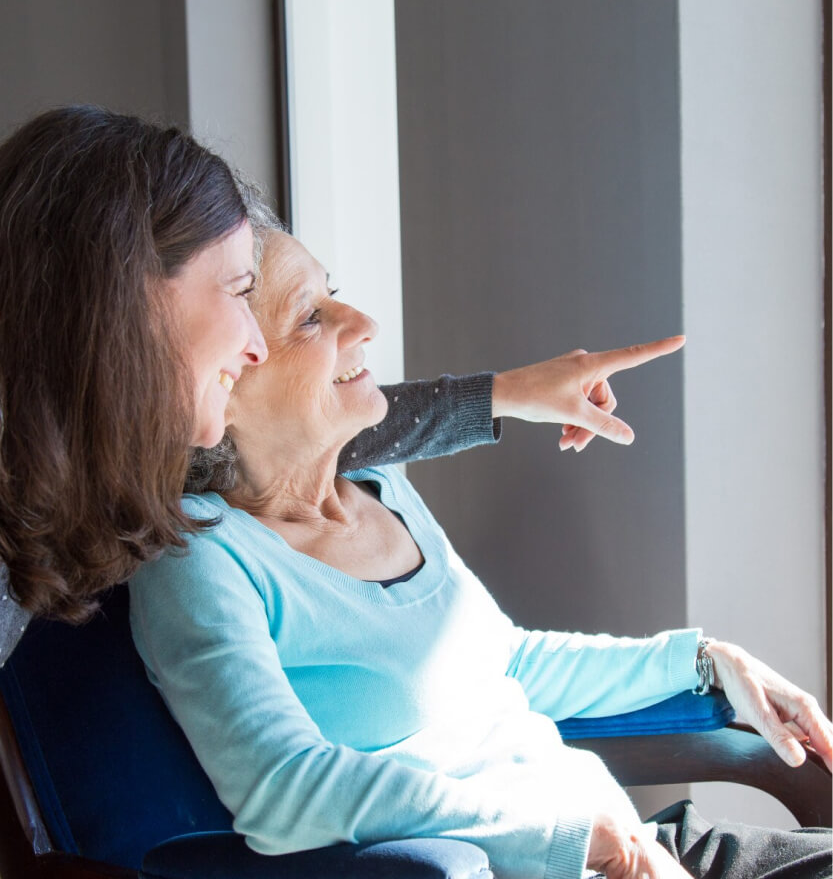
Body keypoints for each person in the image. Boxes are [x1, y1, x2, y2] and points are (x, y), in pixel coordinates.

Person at [130, 228, 832, 879]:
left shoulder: (378, 489)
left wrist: (704, 660)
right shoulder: (202, 555)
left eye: (333, 295)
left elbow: (507, 664)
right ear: (224, 378)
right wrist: (598, 843)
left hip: (620, 844)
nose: (362, 323)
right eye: (310, 318)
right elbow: (285, 791)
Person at [0, 103, 672, 671]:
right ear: (127, 300)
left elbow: (294, 434)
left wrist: (504, 393)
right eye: (238, 291)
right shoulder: (177, 539)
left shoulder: (91, 472)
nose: (253, 346)